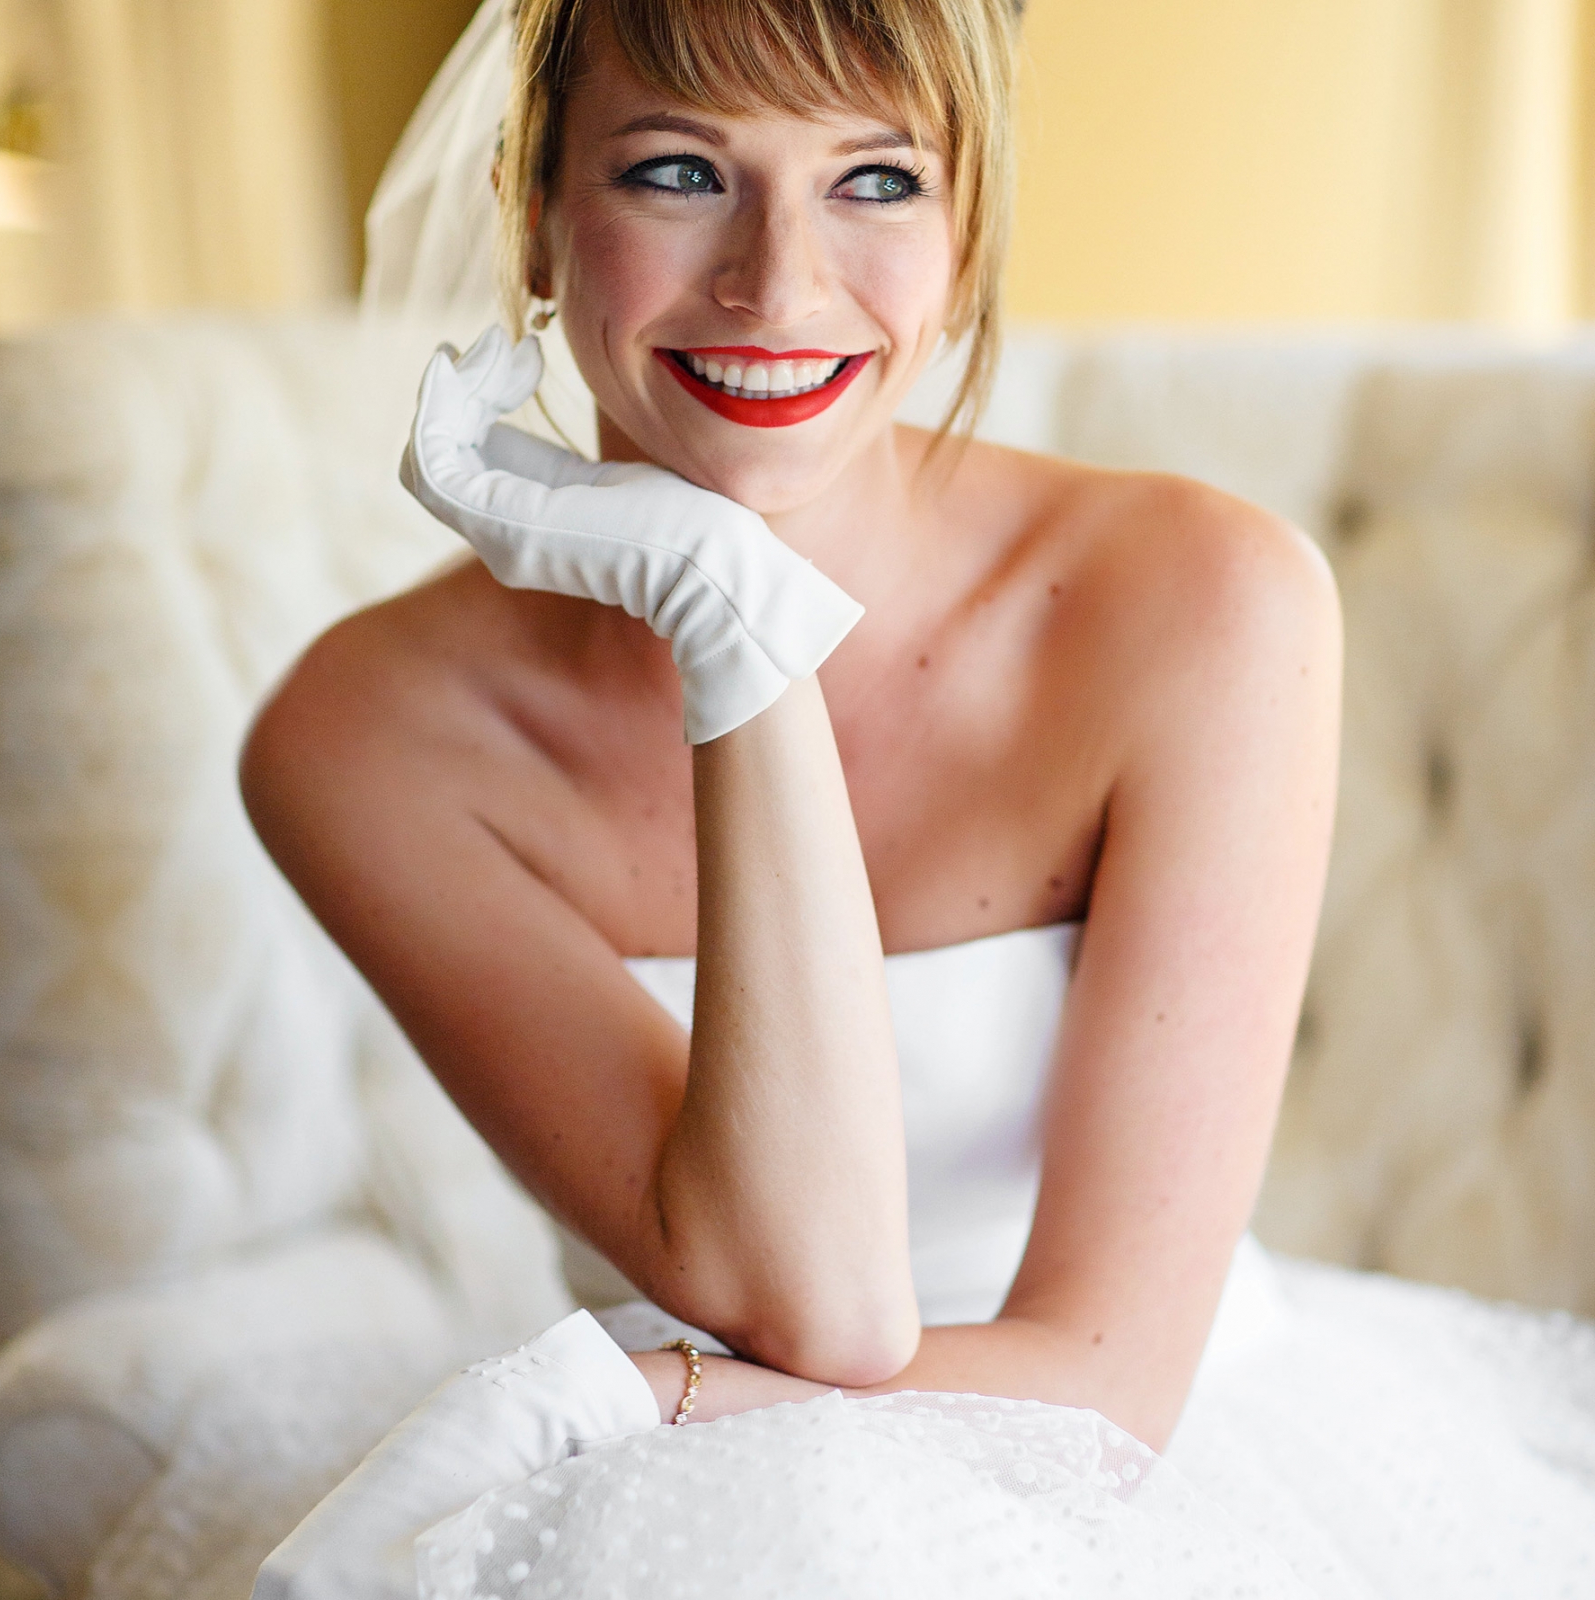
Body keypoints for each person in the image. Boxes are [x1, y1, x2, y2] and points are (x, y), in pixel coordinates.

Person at [243, 3, 1595, 1597]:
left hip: (1133, 1462)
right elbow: (811, 1299)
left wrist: (624, 1399)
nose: (777, 285)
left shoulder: (1205, 604)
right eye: (680, 171)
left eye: (875, 181)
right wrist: (720, 600)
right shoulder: (363, 739)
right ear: (532, 214)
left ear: (966, 238)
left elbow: (1103, 1393)